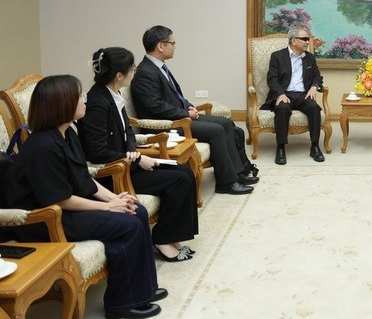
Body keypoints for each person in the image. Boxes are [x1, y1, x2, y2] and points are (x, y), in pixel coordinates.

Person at [6, 75, 165, 319]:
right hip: (44, 219)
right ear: (62, 103)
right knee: (128, 224)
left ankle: (142, 289)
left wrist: (115, 198)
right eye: (79, 96)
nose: (85, 100)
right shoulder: (43, 146)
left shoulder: (67, 133)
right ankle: (121, 305)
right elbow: (59, 199)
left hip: (67, 208)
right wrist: (108, 208)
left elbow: (84, 178)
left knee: (136, 210)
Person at [79, 47, 199, 263]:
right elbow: (96, 151)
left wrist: (134, 151)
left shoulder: (113, 94)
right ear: (119, 75)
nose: (134, 72)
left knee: (184, 171)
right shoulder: (97, 102)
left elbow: (127, 133)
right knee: (178, 179)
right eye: (132, 69)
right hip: (114, 171)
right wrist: (133, 158)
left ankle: (171, 237)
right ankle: (162, 240)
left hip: (128, 161)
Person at [130, 26, 256, 195]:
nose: (175, 46)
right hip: (165, 125)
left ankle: (237, 172)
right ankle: (226, 183)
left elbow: (174, 96)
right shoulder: (145, 72)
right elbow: (155, 106)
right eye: (172, 43)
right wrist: (185, 114)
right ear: (161, 46)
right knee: (217, 131)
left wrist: (189, 106)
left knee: (226, 123)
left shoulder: (159, 67)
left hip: (177, 117)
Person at [261, 27, 325, 165]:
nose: (308, 42)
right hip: (285, 94)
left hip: (303, 94)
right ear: (294, 41)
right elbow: (272, 79)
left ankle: (314, 146)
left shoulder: (310, 58)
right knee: (282, 108)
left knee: (314, 107)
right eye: (305, 39)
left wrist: (314, 87)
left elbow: (317, 76)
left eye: (308, 39)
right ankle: (281, 148)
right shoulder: (277, 56)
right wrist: (280, 95)